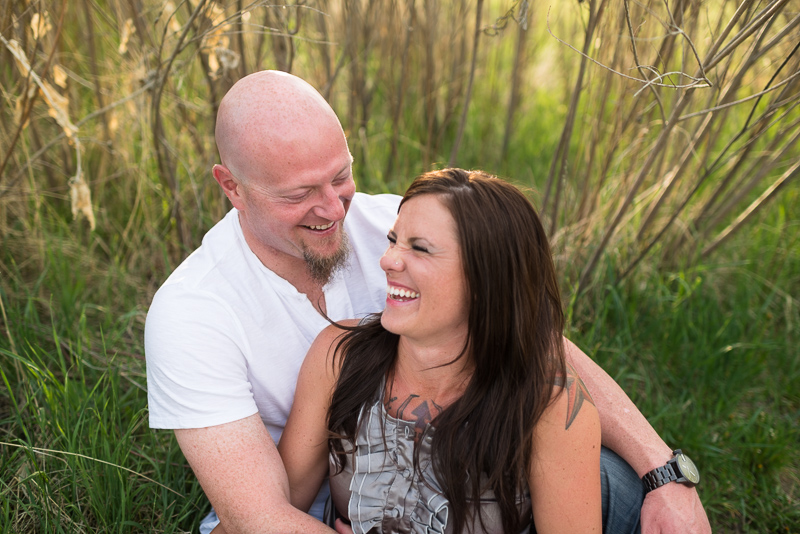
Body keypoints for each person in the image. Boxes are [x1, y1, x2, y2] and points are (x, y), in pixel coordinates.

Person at [144, 70, 711, 534]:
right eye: (298, 195)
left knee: (604, 475)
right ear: (232, 187)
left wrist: (664, 472)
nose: (336, 210)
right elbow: (263, 514)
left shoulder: (403, 223)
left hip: (484, 473)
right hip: (320, 506)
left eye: (340, 177)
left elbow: (531, 338)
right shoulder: (194, 314)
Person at [279, 168, 603, 533]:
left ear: (486, 279)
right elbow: (265, 512)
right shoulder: (339, 357)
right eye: (393, 240)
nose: (388, 261)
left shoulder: (550, 404)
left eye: (420, 248)